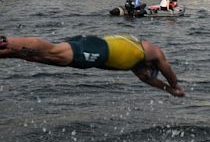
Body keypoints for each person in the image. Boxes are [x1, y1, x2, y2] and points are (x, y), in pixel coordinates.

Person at [0, 35, 185, 97]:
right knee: (52, 51)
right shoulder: (151, 51)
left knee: (40, 58)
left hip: (93, 51)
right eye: (150, 70)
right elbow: (167, 70)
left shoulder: (137, 65)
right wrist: (174, 86)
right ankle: (5, 42)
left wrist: (167, 89)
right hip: (97, 49)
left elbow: (150, 79)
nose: (146, 74)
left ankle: (6, 52)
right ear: (151, 65)